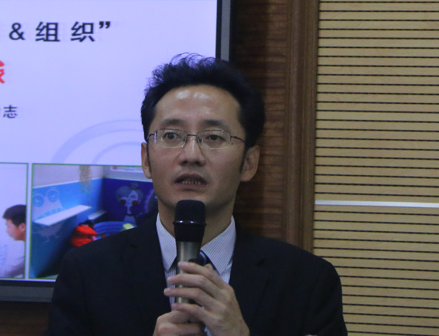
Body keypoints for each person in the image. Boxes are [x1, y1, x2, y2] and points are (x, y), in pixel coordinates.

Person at [45, 55, 347, 336]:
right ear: (146, 160)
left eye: (214, 137)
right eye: (171, 136)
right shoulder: (87, 272)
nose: (191, 155)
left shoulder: (306, 281)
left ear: (249, 163)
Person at [2, 204, 26, 278]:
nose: (7, 230)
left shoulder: (32, 248)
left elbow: (8, 271)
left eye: (8, 226)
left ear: (22, 227)